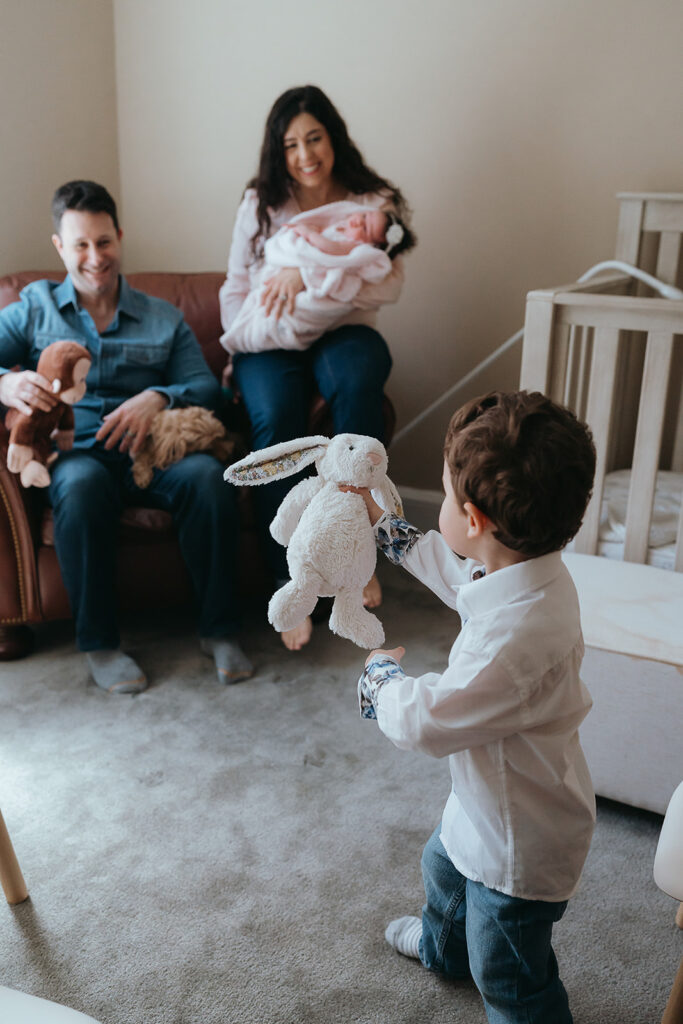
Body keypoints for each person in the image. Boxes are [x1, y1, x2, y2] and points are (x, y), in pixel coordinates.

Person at [353, 390, 597, 1024]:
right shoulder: (525, 567)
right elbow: (462, 578)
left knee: (508, 967)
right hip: (484, 803)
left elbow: (427, 720)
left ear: (473, 517)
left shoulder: (512, 643)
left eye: (440, 493)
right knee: (442, 869)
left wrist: (380, 677)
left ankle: (502, 989)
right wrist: (388, 531)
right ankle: (442, 949)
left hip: (520, 844)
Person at [0, 180, 253, 695]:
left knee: (207, 477)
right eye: (80, 245)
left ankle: (219, 628)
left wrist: (158, 395)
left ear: (119, 236)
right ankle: (99, 643)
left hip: (155, 453)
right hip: (80, 456)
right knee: (79, 488)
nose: (95, 257)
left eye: (104, 241)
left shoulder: (163, 316)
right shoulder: (35, 306)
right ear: (60, 247)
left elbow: (206, 386)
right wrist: (5, 381)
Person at [219, 84, 414, 652]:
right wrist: (246, 333)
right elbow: (237, 283)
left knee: (358, 380)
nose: (305, 155)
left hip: (341, 325)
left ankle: (359, 556)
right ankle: (291, 576)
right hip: (271, 333)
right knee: (276, 417)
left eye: (314, 139)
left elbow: (386, 278)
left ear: (334, 138)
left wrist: (310, 273)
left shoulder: (371, 200)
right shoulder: (260, 202)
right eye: (291, 145)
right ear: (276, 152)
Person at [221, 203, 415, 356]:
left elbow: (330, 250)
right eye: (363, 216)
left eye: (365, 229)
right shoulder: (338, 225)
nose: (358, 222)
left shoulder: (355, 249)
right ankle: (246, 336)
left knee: (285, 316)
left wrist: (307, 236)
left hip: (322, 299)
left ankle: (270, 331)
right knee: (264, 302)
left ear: (373, 245)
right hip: (285, 281)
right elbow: (237, 280)